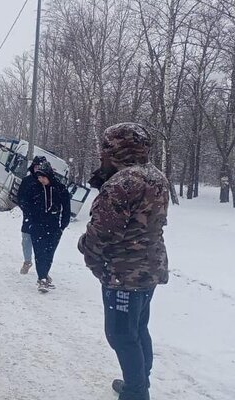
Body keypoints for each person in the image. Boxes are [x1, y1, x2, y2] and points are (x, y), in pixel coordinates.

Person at [78, 123, 169, 400]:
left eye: (106, 147)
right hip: (149, 268)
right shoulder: (156, 176)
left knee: (121, 335)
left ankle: (136, 392)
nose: (102, 153)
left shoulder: (122, 183)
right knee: (137, 329)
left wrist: (84, 247)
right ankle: (139, 382)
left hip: (124, 273)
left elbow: (103, 233)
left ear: (116, 147)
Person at [29, 161, 70, 292]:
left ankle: (44, 274)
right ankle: (42, 278)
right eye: (39, 177)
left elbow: (66, 208)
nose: (41, 180)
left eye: (43, 177)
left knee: (49, 252)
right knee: (39, 252)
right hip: (37, 226)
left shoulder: (60, 188)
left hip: (53, 226)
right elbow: (25, 202)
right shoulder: (35, 187)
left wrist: (63, 225)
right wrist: (31, 218)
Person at [16, 156, 47, 274]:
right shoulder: (27, 181)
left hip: (43, 218)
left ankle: (43, 268)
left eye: (40, 167)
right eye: (36, 166)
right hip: (29, 216)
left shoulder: (47, 182)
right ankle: (27, 261)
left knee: (41, 243)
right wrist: (26, 210)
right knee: (26, 240)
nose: (38, 169)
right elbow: (20, 198)